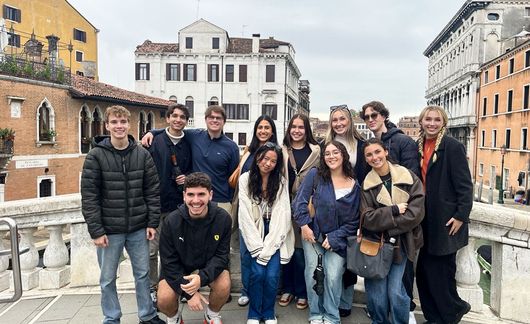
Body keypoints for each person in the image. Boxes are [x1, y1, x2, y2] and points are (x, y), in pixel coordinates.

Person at [81, 105, 164, 324]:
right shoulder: (95, 156)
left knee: (143, 275)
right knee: (107, 279)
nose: (119, 126)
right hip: (109, 231)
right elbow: (89, 197)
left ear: (129, 125)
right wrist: (97, 231)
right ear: (107, 125)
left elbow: (152, 191)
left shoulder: (142, 155)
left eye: (123, 122)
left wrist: (152, 223)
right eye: (114, 122)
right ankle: (111, 318)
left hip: (138, 227)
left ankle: (147, 315)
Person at [360, 100, 420, 323]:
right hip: (376, 241)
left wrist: (387, 221)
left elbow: (415, 206)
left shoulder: (405, 164)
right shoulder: (367, 183)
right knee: (376, 293)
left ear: (386, 151)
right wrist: (394, 212)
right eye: (369, 155)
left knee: (396, 291)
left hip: (402, 242)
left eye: (378, 152)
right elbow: (367, 217)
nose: (374, 157)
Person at [416, 105, 473, 324]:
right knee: (423, 274)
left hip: (446, 220)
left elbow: (465, 186)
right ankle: (435, 318)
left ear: (443, 123)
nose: (431, 123)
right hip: (425, 220)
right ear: (421, 122)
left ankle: (452, 313)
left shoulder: (453, 147)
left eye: (436, 120)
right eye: (427, 119)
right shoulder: (418, 146)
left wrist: (461, 215)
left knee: (441, 273)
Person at [293, 141, 360, 324]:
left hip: (338, 240)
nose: (331, 156)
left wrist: (335, 237)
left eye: (335, 152)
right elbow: (299, 202)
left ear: (343, 154)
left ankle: (331, 316)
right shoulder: (315, 175)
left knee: (333, 275)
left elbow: (354, 221)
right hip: (312, 235)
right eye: (327, 153)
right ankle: (315, 313)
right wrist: (304, 225)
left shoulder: (354, 184)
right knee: (312, 274)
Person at [157, 172, 232, 324]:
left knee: (224, 284)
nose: (195, 200)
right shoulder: (171, 221)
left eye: (201, 194)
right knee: (164, 298)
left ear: (210, 195)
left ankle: (211, 315)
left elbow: (222, 257)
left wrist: (201, 278)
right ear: (184, 196)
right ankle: (174, 318)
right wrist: (189, 293)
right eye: (191, 194)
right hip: (179, 267)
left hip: (208, 265)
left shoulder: (223, 218)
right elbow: (168, 262)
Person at [141, 105, 239, 213]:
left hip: (221, 201)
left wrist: (230, 200)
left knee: (220, 230)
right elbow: (174, 129)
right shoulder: (195, 136)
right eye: (211, 117)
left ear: (224, 121)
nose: (214, 120)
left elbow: (233, 178)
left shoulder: (232, 147)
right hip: (197, 200)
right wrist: (152, 132)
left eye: (218, 118)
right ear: (206, 120)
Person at [238, 142, 294, 324]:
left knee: (271, 276)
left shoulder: (281, 181)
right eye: (265, 158)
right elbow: (244, 216)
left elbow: (283, 215)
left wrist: (269, 247)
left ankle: (268, 313)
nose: (268, 163)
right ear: (258, 158)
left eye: (273, 161)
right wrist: (257, 246)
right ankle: (254, 313)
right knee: (256, 274)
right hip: (254, 230)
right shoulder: (245, 179)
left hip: (275, 232)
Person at [232, 115, 279, 307]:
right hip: (247, 210)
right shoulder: (248, 152)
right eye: (260, 127)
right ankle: (246, 290)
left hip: (270, 212)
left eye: (267, 127)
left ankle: (267, 291)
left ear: (272, 131)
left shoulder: (278, 152)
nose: (263, 131)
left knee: (269, 251)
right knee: (246, 253)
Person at [326, 106, 367, 317]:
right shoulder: (325, 146)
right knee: (333, 258)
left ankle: (346, 301)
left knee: (351, 254)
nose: (339, 123)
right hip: (331, 208)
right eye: (335, 120)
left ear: (350, 121)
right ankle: (330, 301)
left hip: (354, 206)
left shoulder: (361, 146)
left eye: (343, 119)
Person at [147, 103, 192, 297]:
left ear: (186, 121)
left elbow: (193, 169)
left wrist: (187, 177)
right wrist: (151, 131)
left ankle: (176, 286)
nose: (178, 120)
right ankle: (151, 288)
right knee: (151, 251)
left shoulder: (189, 142)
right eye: (174, 116)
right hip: (154, 206)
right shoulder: (154, 141)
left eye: (182, 117)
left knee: (178, 250)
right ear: (168, 118)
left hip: (179, 207)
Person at [278, 114, 321, 310]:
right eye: (293, 127)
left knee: (302, 253)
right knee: (287, 250)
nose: (296, 130)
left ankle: (302, 291)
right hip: (284, 206)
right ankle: (287, 288)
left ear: (307, 130)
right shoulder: (282, 151)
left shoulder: (316, 152)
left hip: (306, 208)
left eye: (301, 127)